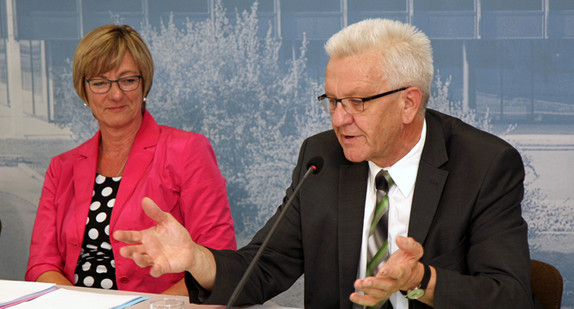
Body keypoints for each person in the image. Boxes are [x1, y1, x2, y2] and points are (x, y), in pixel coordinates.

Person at [113, 19, 535, 308]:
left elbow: (510, 296)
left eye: (357, 102)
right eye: (332, 101)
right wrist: (195, 259)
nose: (338, 119)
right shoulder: (322, 159)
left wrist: (420, 280)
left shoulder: (484, 165)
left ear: (409, 103)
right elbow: (264, 267)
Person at [25, 24, 236, 296]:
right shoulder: (61, 167)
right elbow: (41, 265)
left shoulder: (188, 150)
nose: (115, 94)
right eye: (100, 82)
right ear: (84, 92)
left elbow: (218, 258)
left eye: (127, 80)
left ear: (143, 84)